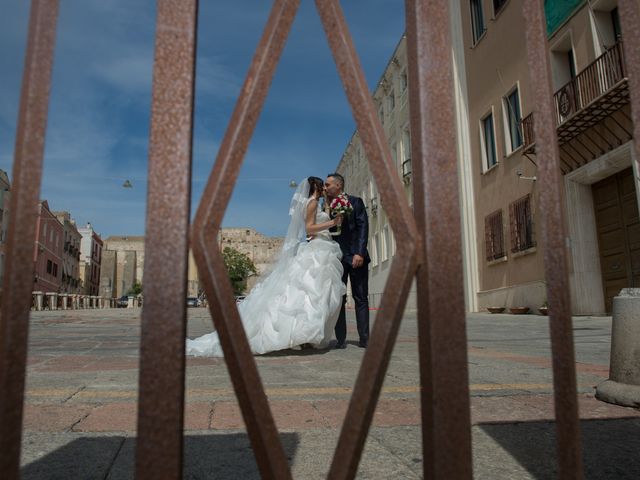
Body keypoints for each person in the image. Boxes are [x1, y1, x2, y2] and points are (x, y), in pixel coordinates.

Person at [186, 177, 346, 357]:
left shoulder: (315, 203)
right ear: (316, 187)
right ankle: (300, 334)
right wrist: (333, 222)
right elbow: (309, 229)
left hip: (321, 247)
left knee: (313, 294)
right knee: (309, 292)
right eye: (323, 184)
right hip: (316, 249)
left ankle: (306, 335)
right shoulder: (312, 203)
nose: (326, 187)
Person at [325, 173, 370, 349]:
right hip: (337, 259)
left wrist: (359, 253)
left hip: (356, 256)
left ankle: (365, 338)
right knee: (339, 299)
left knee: (361, 297)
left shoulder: (356, 202)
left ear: (338, 185)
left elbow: (363, 227)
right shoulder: (326, 206)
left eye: (328, 185)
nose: (326, 188)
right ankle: (341, 338)